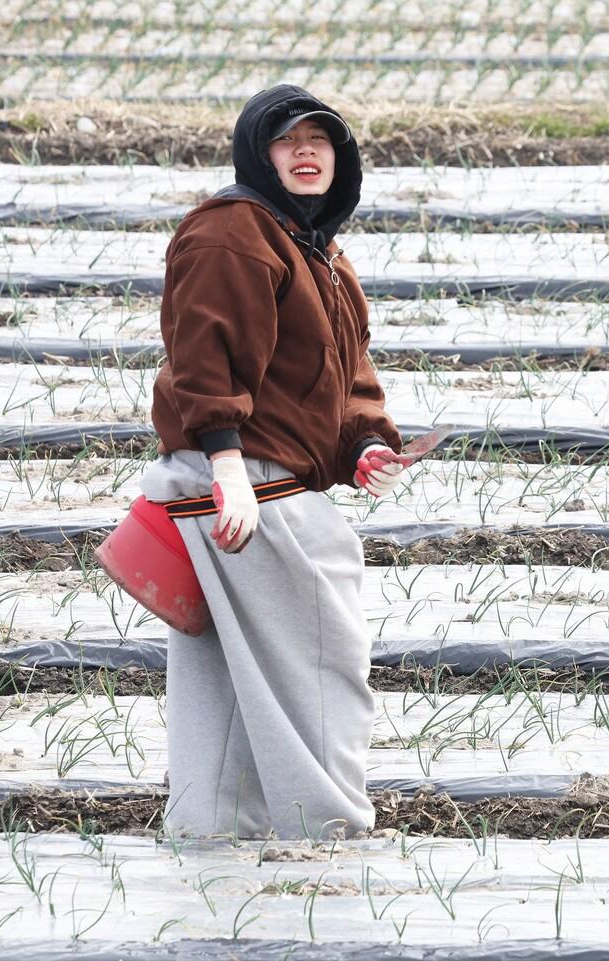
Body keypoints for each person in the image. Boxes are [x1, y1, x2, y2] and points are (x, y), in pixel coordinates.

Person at [141, 85, 412, 840]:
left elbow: (344, 373)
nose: (305, 152)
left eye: (319, 140)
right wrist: (227, 467)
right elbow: (204, 355)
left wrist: (364, 444)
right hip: (248, 483)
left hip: (256, 478)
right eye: (287, 140)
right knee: (322, 661)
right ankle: (327, 831)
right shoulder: (233, 232)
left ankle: (213, 834)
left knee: (225, 678)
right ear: (257, 154)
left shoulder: (314, 249)